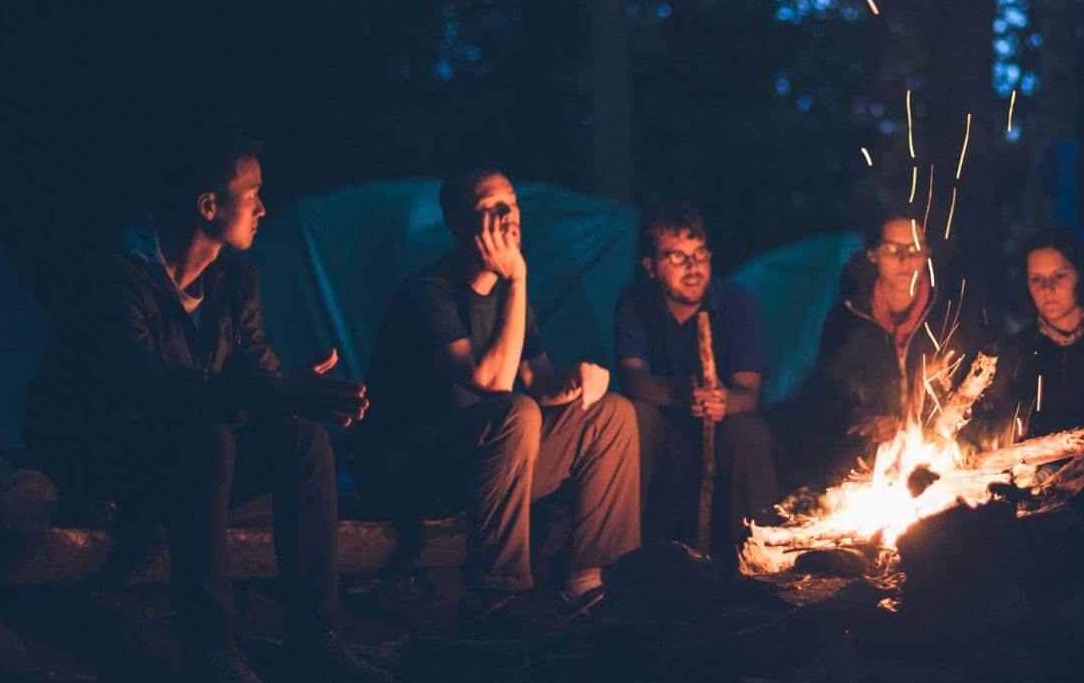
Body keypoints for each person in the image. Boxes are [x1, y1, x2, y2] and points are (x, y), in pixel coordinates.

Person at [24, 132, 388, 683]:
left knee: (302, 441)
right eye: (253, 195)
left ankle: (316, 638)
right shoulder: (114, 278)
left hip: (184, 459)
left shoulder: (233, 278)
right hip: (102, 465)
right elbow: (151, 391)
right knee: (208, 442)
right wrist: (271, 392)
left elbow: (251, 372)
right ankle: (210, 653)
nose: (264, 209)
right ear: (208, 205)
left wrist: (294, 395)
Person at [356, 168, 641, 629]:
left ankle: (590, 582)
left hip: (489, 466)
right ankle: (496, 594)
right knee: (515, 411)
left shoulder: (512, 298)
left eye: (513, 203)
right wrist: (517, 279)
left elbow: (538, 379)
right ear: (458, 221)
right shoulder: (427, 293)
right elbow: (491, 380)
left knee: (611, 414)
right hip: (413, 471)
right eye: (493, 206)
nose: (510, 216)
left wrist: (577, 379)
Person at [613, 202, 775, 554]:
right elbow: (632, 378)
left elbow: (749, 393)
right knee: (633, 416)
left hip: (721, 436)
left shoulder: (736, 302)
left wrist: (721, 401)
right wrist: (682, 395)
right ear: (651, 267)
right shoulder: (635, 302)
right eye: (676, 257)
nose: (693, 267)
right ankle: (622, 558)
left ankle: (754, 560)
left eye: (700, 254)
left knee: (749, 431)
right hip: (665, 439)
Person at [791, 209, 971, 485]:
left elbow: (973, 392)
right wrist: (864, 419)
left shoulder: (948, 317)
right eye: (892, 249)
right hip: (868, 458)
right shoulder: (847, 319)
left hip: (937, 453)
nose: (905, 259)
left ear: (928, 254)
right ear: (873, 255)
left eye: (915, 249)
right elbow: (825, 399)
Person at [981, 227, 1084, 443]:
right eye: (1036, 279)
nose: (1047, 289)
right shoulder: (1020, 350)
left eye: (1059, 276)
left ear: (1080, 276)